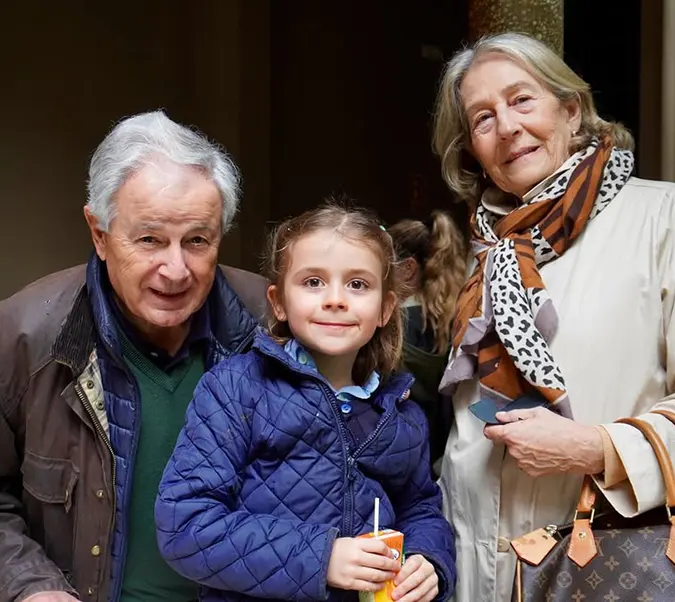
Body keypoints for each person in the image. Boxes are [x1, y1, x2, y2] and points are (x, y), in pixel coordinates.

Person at [430, 32, 675, 599]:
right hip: (475, 572)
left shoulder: (669, 217)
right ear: (472, 150)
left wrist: (597, 449)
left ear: (570, 109)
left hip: (605, 567)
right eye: (482, 118)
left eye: (522, 100)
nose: (507, 126)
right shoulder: (484, 253)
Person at [0, 111, 270, 602]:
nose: (176, 269)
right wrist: (31, 589)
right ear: (99, 234)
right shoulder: (7, 340)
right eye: (150, 240)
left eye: (198, 241)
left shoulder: (275, 324)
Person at [154, 202, 456, 602]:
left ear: (385, 308)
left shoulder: (402, 413)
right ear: (278, 303)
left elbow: (421, 508)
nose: (335, 299)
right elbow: (185, 526)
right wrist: (321, 557)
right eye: (313, 282)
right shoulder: (235, 390)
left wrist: (429, 560)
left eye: (358, 284)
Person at [387, 213, 467, 474]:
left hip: (404, 458)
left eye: (383, 267)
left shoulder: (395, 325)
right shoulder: (448, 320)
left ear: (408, 268)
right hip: (439, 459)